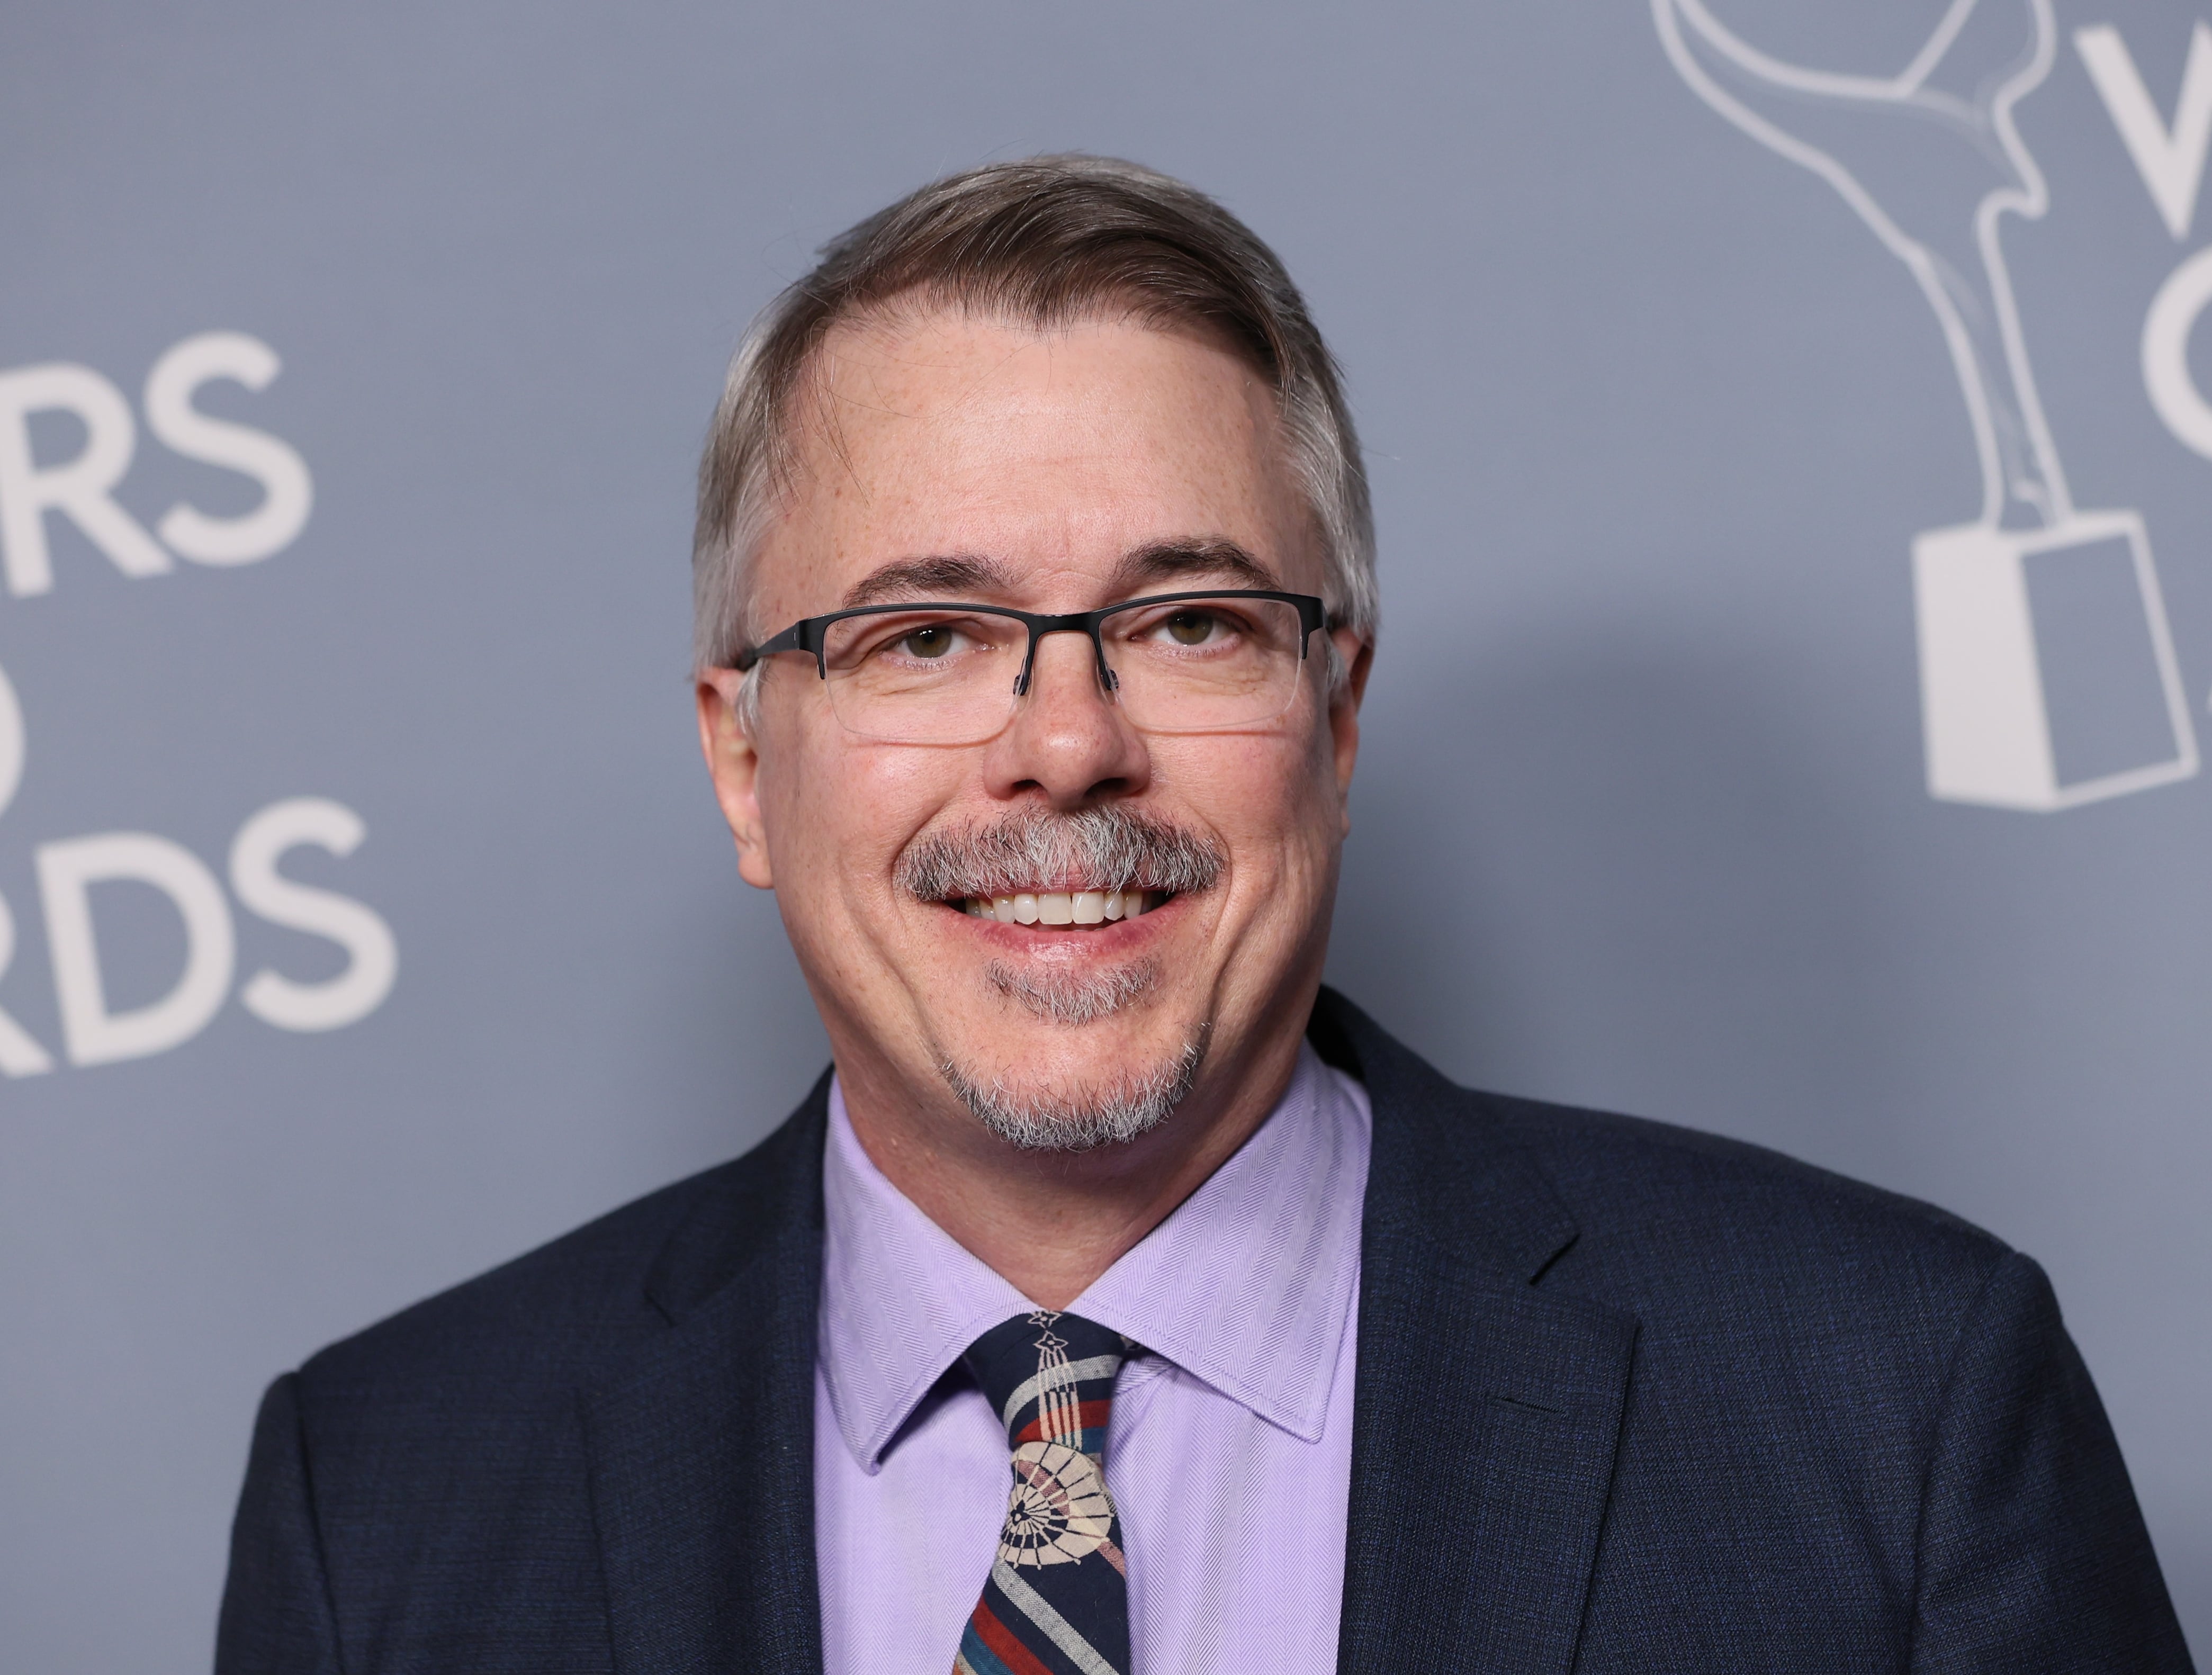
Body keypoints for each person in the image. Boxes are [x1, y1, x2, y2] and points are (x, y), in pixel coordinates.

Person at [215, 157, 2191, 1674]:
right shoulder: (380, 1505)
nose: (1065, 745)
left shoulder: (1893, 1406)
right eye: (924, 634)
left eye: (1186, 622)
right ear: (748, 759)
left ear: (1331, 716)